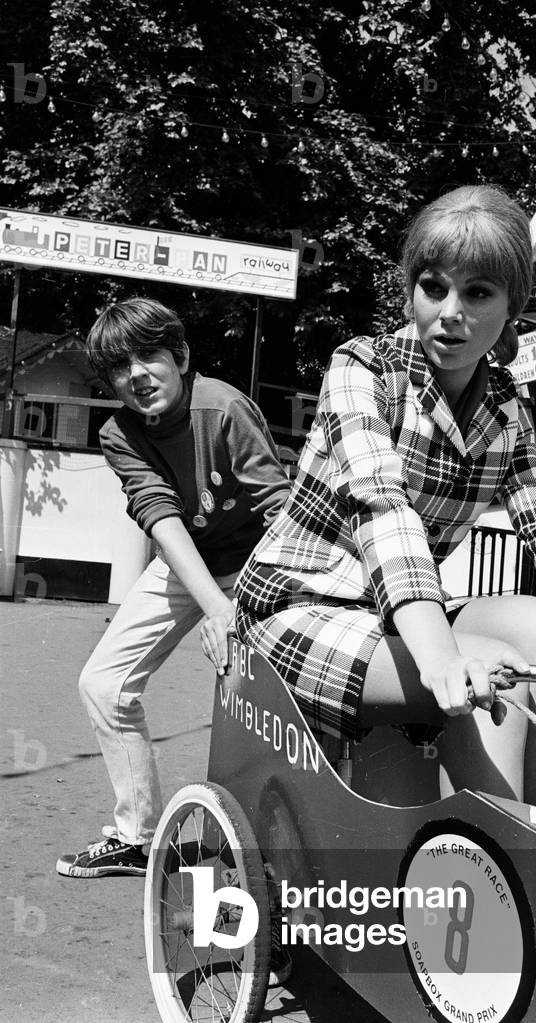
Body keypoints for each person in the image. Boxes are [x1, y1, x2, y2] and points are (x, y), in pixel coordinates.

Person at [235, 185, 536, 809]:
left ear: (510, 309)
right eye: (434, 287)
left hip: (397, 610)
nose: (451, 311)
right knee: (495, 667)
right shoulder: (362, 369)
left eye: (478, 293)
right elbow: (381, 506)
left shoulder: (505, 408)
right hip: (300, 604)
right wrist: (441, 654)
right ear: (411, 290)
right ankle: (495, 853)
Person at [56, 298, 290, 879]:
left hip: (262, 561)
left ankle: (275, 852)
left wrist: (252, 601)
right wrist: (214, 605)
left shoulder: (224, 405)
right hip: (187, 564)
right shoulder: (119, 433)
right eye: (119, 367)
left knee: (260, 697)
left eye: (149, 355)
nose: (136, 375)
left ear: (180, 355)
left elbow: (280, 510)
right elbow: (160, 516)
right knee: (104, 684)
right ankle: (137, 838)